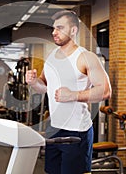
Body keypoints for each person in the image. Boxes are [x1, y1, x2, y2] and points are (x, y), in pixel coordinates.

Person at [25, 10, 111, 174]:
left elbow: (105, 91)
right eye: (53, 28)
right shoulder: (51, 56)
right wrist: (34, 81)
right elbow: (44, 87)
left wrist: (74, 95)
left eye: (59, 28)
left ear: (73, 30)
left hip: (76, 130)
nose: (54, 32)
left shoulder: (86, 57)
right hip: (54, 127)